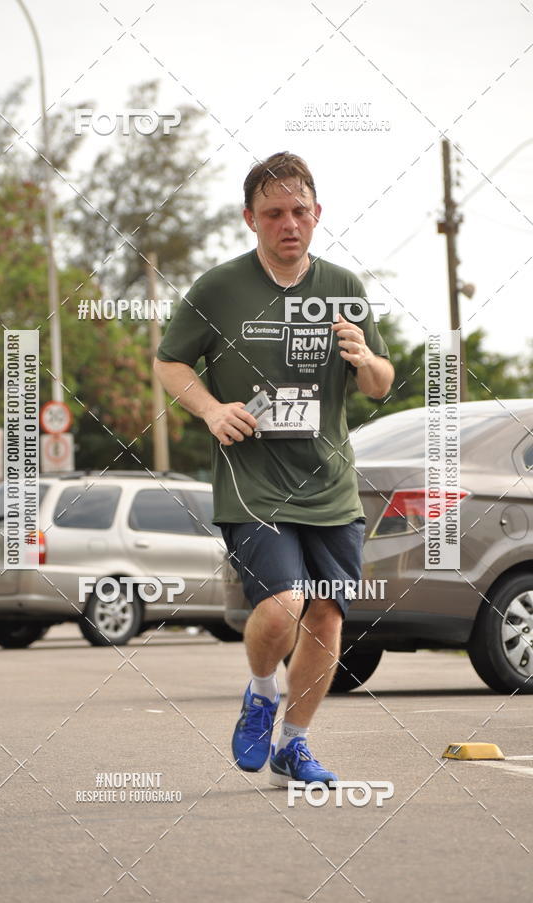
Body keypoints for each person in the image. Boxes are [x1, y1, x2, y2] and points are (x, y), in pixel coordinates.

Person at [154, 151, 394, 786]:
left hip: (330, 482)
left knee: (326, 615)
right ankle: (262, 691)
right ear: (250, 219)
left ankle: (294, 744)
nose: (289, 224)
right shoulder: (218, 288)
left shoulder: (344, 287)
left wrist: (364, 356)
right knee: (285, 601)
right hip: (251, 482)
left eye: (299, 211)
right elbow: (171, 363)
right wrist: (209, 409)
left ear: (317, 215)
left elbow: (379, 384)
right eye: (273, 213)